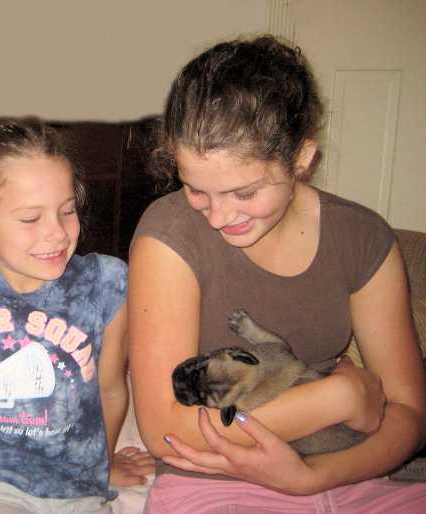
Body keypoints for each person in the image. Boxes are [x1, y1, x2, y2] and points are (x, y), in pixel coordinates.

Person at [128, 35, 426, 513]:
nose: (219, 216)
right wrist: (339, 397)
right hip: (215, 481)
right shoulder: (169, 233)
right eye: (196, 189)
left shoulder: (364, 238)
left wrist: (309, 477)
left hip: (348, 468)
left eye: (244, 193)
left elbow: (409, 413)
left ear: (302, 159)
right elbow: (167, 430)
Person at [0, 118, 155, 514]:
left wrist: (104, 462)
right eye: (31, 219)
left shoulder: (106, 284)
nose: (58, 233)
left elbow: (111, 388)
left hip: (75, 487)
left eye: (67, 211)